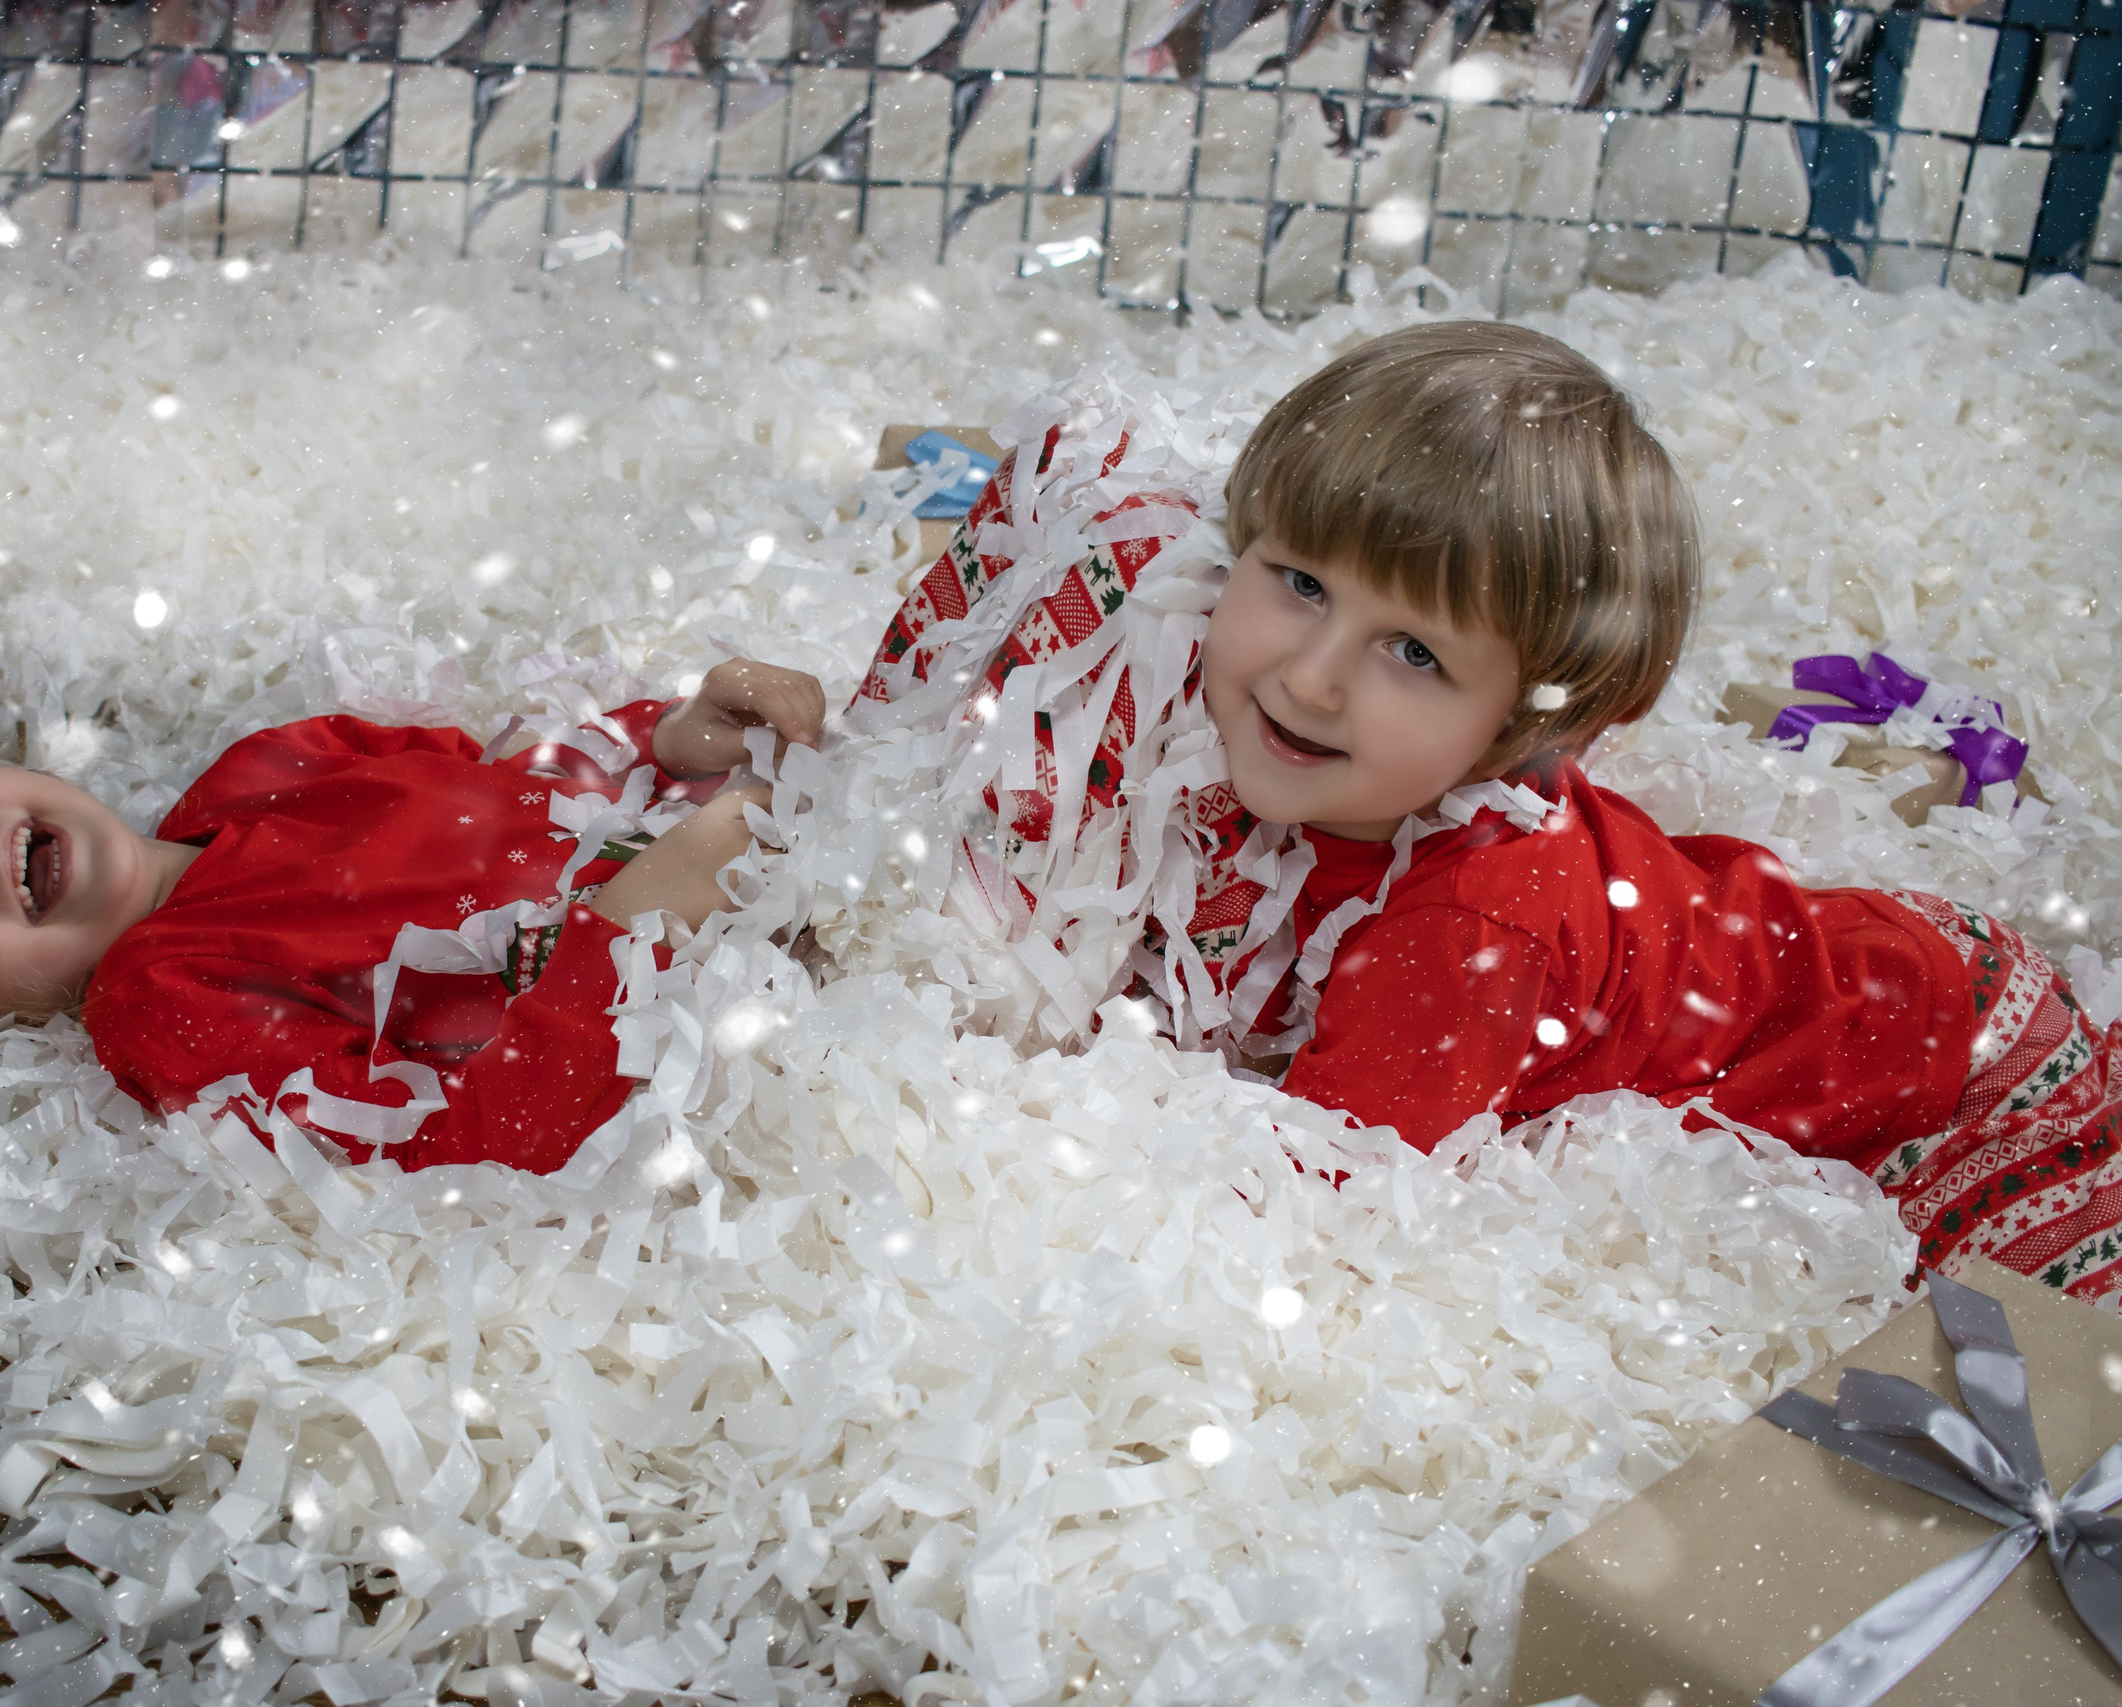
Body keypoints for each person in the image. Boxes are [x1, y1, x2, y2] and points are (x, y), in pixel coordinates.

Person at [856, 321, 2121, 1307]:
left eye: (1415, 654)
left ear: (1526, 729)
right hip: (1803, 951)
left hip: (1936, 1081)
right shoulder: (1241, 716)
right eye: (1297, 580)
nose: (1310, 674)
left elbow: (1307, 1210)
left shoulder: (1466, 930)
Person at [0, 660, 826, 1174]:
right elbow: (447, 1142)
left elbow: (521, 782)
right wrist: (642, 928)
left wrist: (672, 741)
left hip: (784, 834)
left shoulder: (272, 765)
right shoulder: (163, 1004)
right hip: (746, 1006)